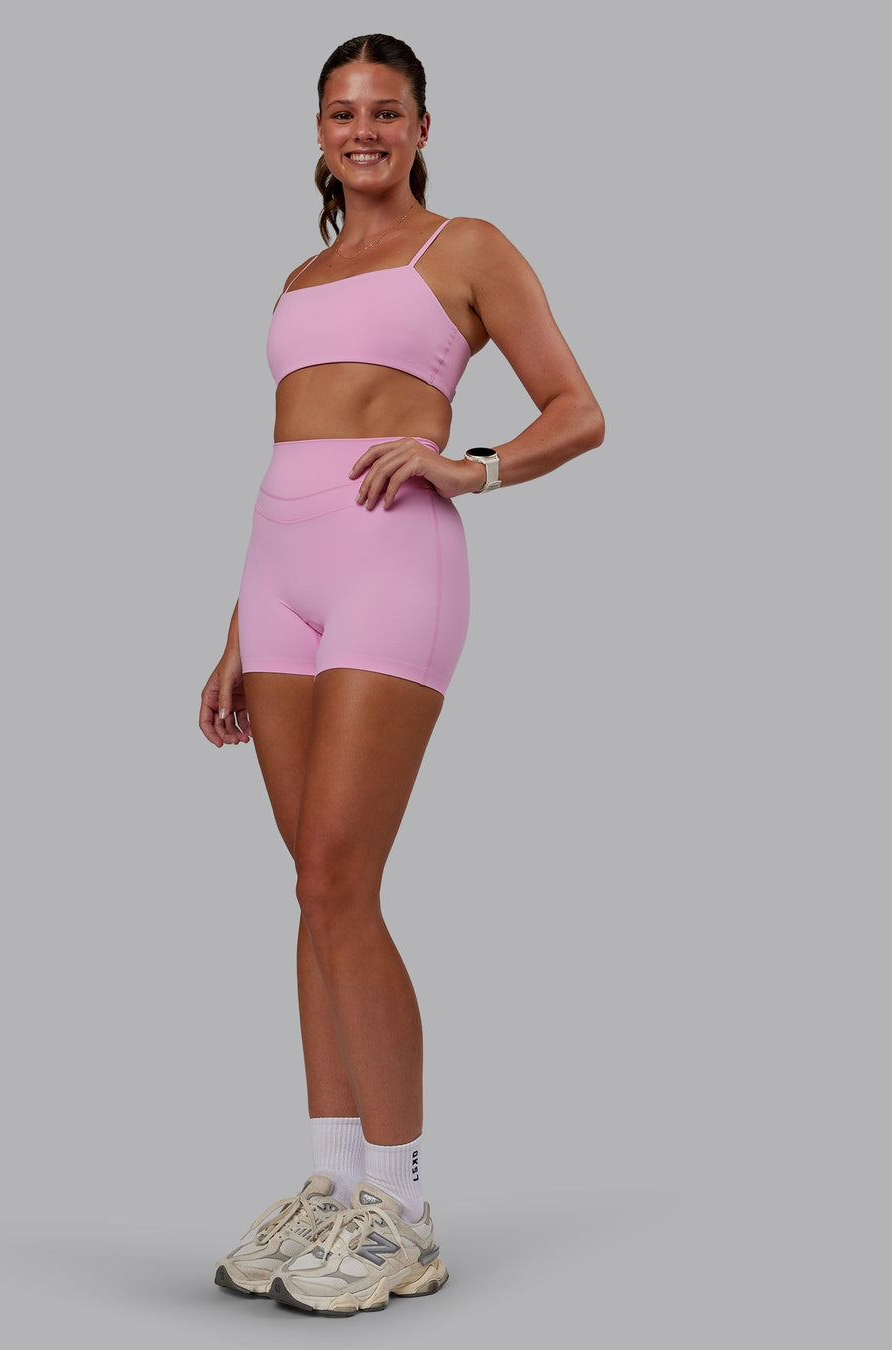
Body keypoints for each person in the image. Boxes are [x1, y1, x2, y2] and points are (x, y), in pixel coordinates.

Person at [199, 33, 605, 1317]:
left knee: (340, 875)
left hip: (392, 564)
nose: (363, 130)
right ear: (317, 132)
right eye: (341, 112)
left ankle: (405, 1209)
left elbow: (579, 410)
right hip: (279, 577)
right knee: (310, 889)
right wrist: (236, 629)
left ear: (423, 126)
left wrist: (468, 466)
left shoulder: (465, 248)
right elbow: (291, 444)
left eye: (386, 111)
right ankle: (334, 1185)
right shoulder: (301, 274)